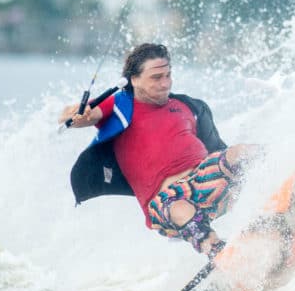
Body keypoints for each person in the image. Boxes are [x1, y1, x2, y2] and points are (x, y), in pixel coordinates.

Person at [60, 43, 261, 255]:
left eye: (168, 75)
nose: (165, 83)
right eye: (156, 78)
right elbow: (77, 116)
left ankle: (289, 188)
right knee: (180, 208)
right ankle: (216, 250)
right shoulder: (120, 105)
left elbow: (219, 151)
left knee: (241, 152)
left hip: (208, 180)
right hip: (167, 202)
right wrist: (77, 114)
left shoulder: (187, 106)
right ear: (134, 79)